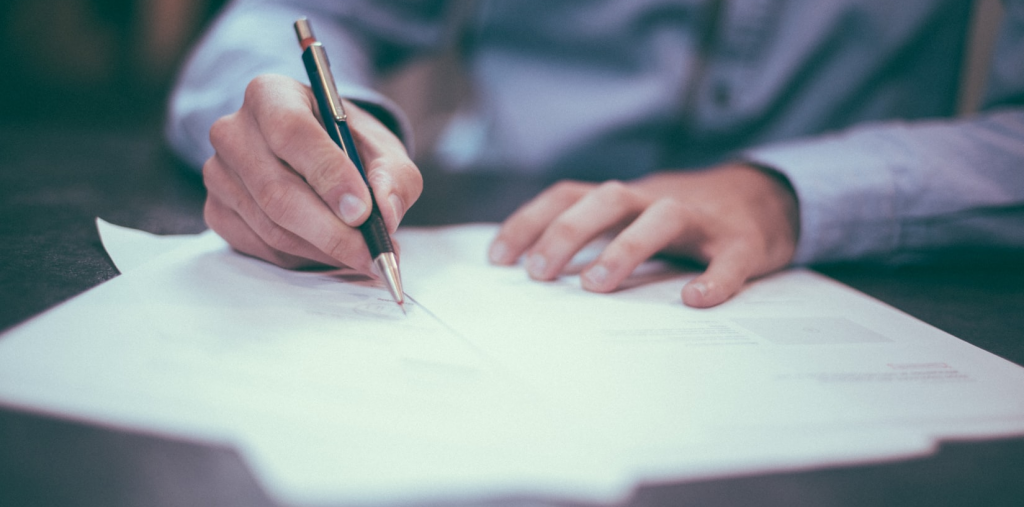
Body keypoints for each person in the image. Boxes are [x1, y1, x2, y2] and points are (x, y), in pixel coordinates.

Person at [166, 0, 1024, 308]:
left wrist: (785, 193)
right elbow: (285, 17)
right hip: (497, 238)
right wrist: (310, 124)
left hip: (855, 267)